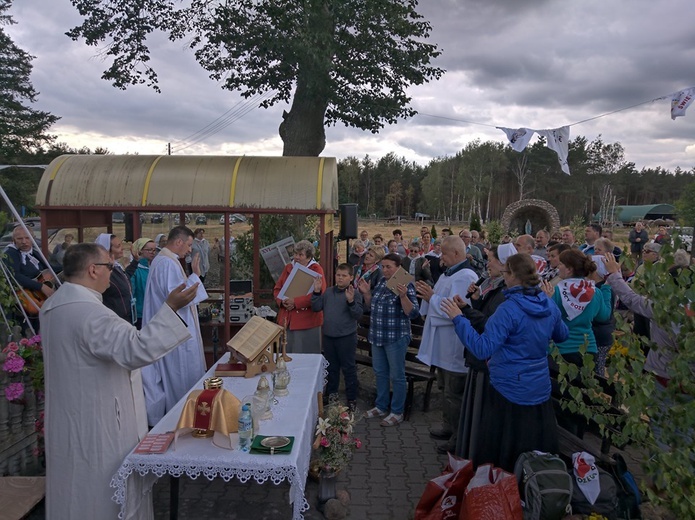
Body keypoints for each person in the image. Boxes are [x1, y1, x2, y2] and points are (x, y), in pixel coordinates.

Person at [40, 242, 199, 519]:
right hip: (100, 422)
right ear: (93, 270)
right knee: (106, 497)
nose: (112, 273)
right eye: (109, 267)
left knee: (74, 493)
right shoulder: (91, 314)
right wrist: (171, 308)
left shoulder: (55, 305)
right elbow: (136, 349)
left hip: (71, 416)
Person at [441, 253, 569, 471]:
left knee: (503, 450)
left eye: (505, 273)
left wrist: (458, 319)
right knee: (531, 447)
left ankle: (501, 490)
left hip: (507, 390)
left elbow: (483, 348)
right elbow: (562, 335)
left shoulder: (509, 309)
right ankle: (532, 486)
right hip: (538, 388)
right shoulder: (547, 304)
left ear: (512, 276)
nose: (503, 277)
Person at [141, 226, 208, 426]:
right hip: (175, 336)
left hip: (175, 331)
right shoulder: (167, 264)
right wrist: (195, 276)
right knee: (181, 380)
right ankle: (181, 423)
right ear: (178, 242)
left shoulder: (165, 261)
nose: (189, 250)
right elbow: (179, 298)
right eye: (188, 245)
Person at [416, 236, 478, 452]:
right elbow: (437, 300)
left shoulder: (465, 276)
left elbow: (454, 310)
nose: (440, 258)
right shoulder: (449, 273)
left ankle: (457, 438)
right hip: (443, 345)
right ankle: (448, 426)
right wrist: (428, 297)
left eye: (444, 253)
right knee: (446, 390)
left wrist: (431, 297)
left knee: (454, 394)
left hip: (454, 345)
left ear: (457, 254)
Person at [454, 245, 511, 462]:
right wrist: (475, 301)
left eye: (491, 260)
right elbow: (485, 313)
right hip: (479, 361)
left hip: (487, 363)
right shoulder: (495, 287)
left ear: (504, 264)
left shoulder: (505, 294)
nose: (488, 264)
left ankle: (478, 456)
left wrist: (463, 314)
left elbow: (489, 324)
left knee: (482, 413)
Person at [358, 253, 419, 427]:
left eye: (388, 267)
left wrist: (403, 296)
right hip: (378, 336)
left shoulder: (404, 283)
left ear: (398, 267)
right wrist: (367, 294)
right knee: (380, 372)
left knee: (397, 375)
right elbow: (373, 306)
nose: (384, 270)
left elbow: (412, 313)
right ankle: (381, 405)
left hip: (396, 337)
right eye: (382, 267)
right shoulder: (382, 282)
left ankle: (397, 411)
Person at [541, 248, 612, 366]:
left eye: (561, 264)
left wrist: (545, 300)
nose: (558, 267)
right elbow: (604, 316)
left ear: (569, 270)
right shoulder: (596, 292)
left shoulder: (555, 292)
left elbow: (546, 320)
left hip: (560, 350)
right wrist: (606, 289)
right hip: (588, 348)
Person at [311, 263, 364, 410]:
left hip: (346, 337)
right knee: (331, 369)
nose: (340, 278)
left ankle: (351, 398)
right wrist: (316, 292)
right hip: (329, 336)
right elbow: (316, 308)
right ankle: (332, 395)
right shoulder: (328, 292)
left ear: (351, 277)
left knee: (348, 368)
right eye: (338, 275)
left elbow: (358, 314)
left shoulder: (354, 293)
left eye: (344, 276)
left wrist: (351, 301)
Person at [273, 239, 326, 353]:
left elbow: (319, 292)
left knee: (306, 355)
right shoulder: (288, 267)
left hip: (307, 321)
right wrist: (282, 301)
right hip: (287, 319)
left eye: (300, 255)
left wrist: (296, 302)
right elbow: (277, 289)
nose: (296, 257)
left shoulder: (316, 269)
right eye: (295, 254)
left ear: (309, 257)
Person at [95, 233, 136, 325]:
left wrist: (135, 262)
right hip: (114, 322)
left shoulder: (117, 266)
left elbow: (126, 279)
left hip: (126, 319)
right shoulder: (103, 271)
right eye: (118, 246)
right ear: (107, 250)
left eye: (121, 245)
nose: (122, 248)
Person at [129, 238, 157, 329]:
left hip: (154, 312)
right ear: (139, 251)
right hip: (140, 314)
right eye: (149, 250)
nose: (153, 252)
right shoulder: (135, 270)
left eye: (154, 250)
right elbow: (131, 293)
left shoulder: (154, 267)